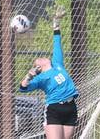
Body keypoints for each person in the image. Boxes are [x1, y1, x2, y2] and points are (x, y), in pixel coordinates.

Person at [20, 7, 79, 139]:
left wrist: (56, 21)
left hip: (71, 107)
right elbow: (23, 88)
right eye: (37, 60)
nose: (41, 57)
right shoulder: (41, 78)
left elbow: (57, 42)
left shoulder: (57, 64)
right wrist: (29, 76)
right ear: (38, 67)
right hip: (54, 109)